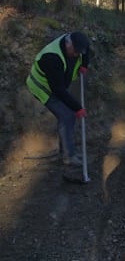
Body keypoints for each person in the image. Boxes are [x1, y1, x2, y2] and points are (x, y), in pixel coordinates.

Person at [26, 32, 90, 166]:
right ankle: (69, 156)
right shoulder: (52, 58)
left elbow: (86, 50)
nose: (78, 54)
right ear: (68, 44)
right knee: (67, 115)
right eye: (76, 51)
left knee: (69, 115)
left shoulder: (77, 41)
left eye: (80, 52)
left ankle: (65, 151)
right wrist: (77, 108)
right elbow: (58, 90)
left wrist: (85, 64)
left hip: (57, 84)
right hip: (42, 87)